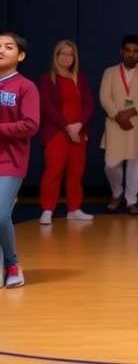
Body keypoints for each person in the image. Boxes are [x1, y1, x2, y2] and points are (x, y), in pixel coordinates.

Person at [99, 34, 138, 215]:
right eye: (128, 51)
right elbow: (104, 97)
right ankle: (117, 192)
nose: (131, 54)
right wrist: (118, 116)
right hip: (115, 123)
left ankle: (131, 200)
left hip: (137, 124)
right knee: (111, 163)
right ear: (122, 52)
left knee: (136, 164)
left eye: (135, 51)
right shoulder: (109, 72)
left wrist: (131, 112)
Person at [38, 40, 94, 224]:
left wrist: (79, 125)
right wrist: (66, 126)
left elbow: (88, 104)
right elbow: (48, 107)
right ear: (56, 56)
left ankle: (74, 209)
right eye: (62, 53)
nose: (66, 57)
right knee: (53, 171)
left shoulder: (80, 78)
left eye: (70, 54)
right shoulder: (47, 79)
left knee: (76, 172)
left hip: (78, 133)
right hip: (57, 133)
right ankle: (47, 209)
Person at [0, 31, 40, 288]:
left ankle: (12, 263)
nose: (1, 50)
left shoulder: (25, 86)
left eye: (8, 46)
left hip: (11, 161)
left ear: (21, 55)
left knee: (1, 215)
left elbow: (31, 124)